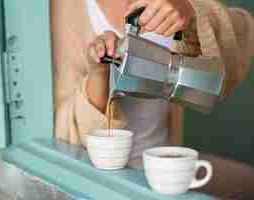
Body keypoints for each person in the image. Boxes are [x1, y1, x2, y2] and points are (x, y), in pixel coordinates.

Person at [51, 0, 254, 199]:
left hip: (167, 162)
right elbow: (66, 134)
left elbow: (242, 30)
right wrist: (99, 73)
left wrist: (193, 12)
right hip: (98, 177)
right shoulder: (63, 9)